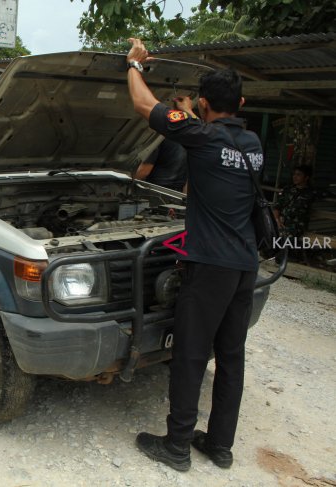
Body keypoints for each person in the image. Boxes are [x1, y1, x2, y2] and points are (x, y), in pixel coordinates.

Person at [126, 38, 263, 472]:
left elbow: (142, 104)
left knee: (189, 353)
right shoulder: (255, 145)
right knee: (231, 356)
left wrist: (134, 64)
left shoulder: (199, 136)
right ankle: (220, 446)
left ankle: (178, 445)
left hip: (209, 267)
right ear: (240, 103)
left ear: (202, 104)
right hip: (245, 266)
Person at [273, 165, 316, 238]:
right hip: (282, 223)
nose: (295, 177)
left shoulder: (311, 192)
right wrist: (277, 220)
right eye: (294, 174)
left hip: (295, 227)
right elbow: (277, 206)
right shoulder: (287, 189)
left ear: (306, 178)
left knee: (282, 240)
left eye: (298, 175)